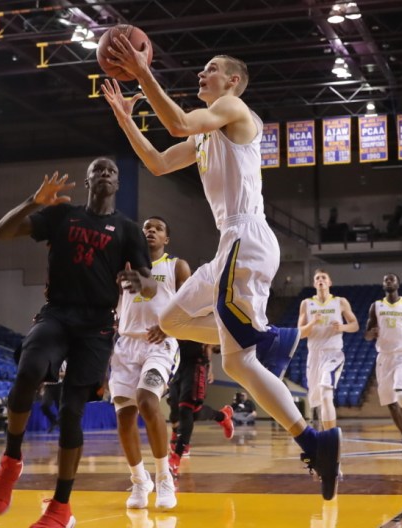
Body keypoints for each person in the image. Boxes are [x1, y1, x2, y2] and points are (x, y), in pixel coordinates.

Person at [103, 44, 341, 499]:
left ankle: (306, 423)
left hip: (246, 238)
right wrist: (125, 119)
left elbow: (178, 121)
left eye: (210, 69)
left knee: (238, 358)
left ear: (232, 82)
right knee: (175, 322)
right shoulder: (205, 136)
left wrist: (144, 72)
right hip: (228, 246)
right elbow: (157, 162)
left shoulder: (233, 108)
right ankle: (300, 407)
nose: (201, 73)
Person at [0, 157, 156, 527]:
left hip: (97, 325)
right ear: (88, 180)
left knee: (71, 412)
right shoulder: (63, 216)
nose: (106, 173)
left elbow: (150, 283)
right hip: (57, 313)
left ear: (118, 183)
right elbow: (2, 232)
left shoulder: (128, 230)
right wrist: (33, 201)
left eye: (112, 170)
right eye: (99, 170)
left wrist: (140, 283)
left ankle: (60, 507)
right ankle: (11, 460)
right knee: (28, 370)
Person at [109, 216, 192, 510]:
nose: (151, 231)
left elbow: (190, 306)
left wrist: (169, 328)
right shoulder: (122, 267)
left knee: (147, 400)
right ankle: (139, 480)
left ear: (166, 239)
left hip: (160, 343)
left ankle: (164, 477)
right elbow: (111, 305)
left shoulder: (176, 266)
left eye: (157, 228)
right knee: (124, 416)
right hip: (125, 345)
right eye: (146, 228)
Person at [364, 273, 402, 459]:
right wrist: (370, 334)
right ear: (383, 285)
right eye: (386, 280)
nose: (389, 281)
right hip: (384, 357)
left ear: (398, 284)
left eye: (392, 279)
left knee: (401, 392)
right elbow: (367, 333)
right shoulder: (376, 306)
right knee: (390, 403)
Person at [297, 269, 359, 431]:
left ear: (329, 282)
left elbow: (355, 325)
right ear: (314, 283)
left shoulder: (340, 302)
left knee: (326, 391)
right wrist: (312, 322)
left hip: (333, 353)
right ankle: (324, 434)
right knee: (317, 399)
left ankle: (331, 436)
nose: (320, 280)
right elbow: (300, 333)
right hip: (314, 355)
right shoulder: (306, 303)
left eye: (324, 277)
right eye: (317, 278)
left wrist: (342, 327)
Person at [167, 342, 233, 469]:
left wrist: (209, 366)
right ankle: (222, 416)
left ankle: (176, 456)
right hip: (175, 360)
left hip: (196, 362)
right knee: (178, 409)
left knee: (186, 408)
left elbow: (210, 342)